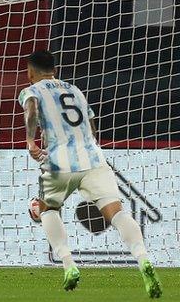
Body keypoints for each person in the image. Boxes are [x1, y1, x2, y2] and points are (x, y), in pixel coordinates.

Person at [19, 49, 162, 297]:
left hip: (59, 162)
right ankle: (143, 259)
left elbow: (31, 108)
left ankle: (68, 265)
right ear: (55, 70)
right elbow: (92, 126)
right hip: (94, 159)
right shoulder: (75, 90)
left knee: (47, 210)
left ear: (30, 72)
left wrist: (31, 141)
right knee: (117, 213)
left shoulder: (32, 90)